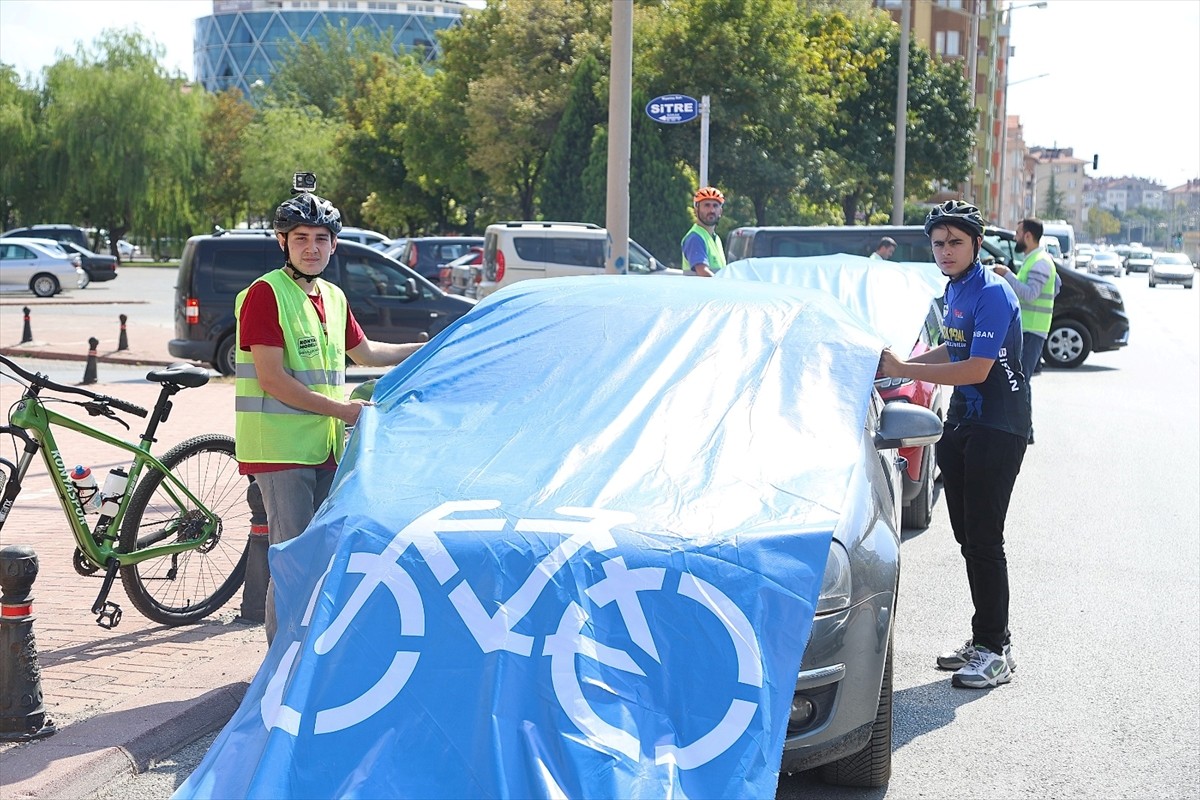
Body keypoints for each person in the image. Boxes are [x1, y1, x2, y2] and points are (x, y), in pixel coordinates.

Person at [235, 192, 424, 643]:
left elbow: (370, 352)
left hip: (323, 448)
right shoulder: (265, 294)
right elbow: (272, 379)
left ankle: (304, 658)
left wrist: (434, 347)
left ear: (334, 245)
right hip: (279, 450)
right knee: (293, 558)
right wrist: (342, 410)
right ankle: (280, 667)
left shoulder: (332, 297)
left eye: (322, 238)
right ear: (283, 241)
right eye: (301, 238)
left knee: (318, 557)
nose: (312, 248)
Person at [878, 200, 1030, 689]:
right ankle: (984, 637)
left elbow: (976, 368)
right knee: (968, 538)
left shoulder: (992, 291)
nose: (945, 251)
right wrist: (907, 362)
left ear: (976, 244)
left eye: (955, 242)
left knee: (985, 540)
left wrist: (905, 369)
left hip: (1000, 426)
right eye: (938, 243)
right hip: (963, 421)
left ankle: (995, 650)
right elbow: (956, 348)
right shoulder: (955, 289)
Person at [991, 217, 1057, 444]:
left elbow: (1030, 294)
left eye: (1018, 233)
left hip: (1032, 329)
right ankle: (1022, 429)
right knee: (1019, 379)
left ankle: (1024, 431)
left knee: (1021, 379)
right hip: (1029, 328)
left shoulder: (1040, 261)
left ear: (1028, 235)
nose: (1016, 237)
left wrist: (1006, 274)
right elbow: (1056, 287)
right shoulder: (1036, 259)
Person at [681, 186, 726, 277]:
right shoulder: (695, 238)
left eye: (715, 205)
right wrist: (724, 287)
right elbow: (703, 272)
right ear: (696, 210)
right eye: (706, 205)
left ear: (720, 211)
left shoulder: (716, 239)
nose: (711, 210)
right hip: (699, 291)